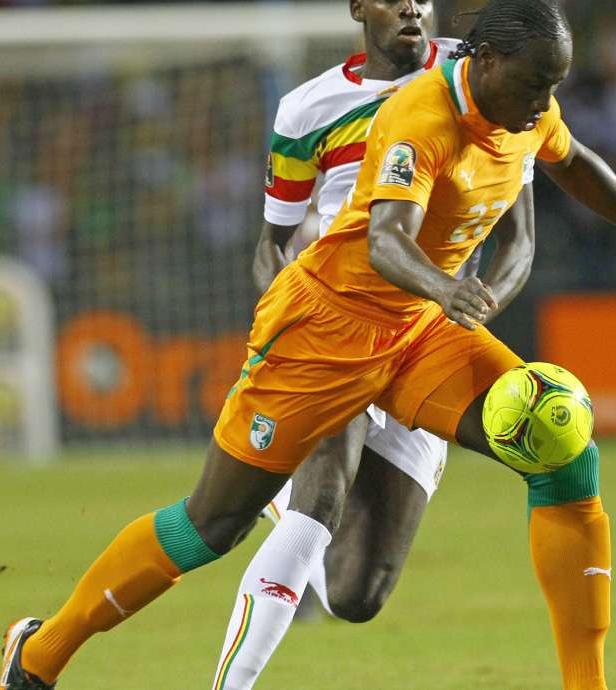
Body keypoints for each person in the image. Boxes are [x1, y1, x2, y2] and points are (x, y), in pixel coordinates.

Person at [0, 2, 616, 688]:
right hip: (326, 327)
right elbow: (385, 240)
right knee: (210, 525)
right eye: (536, 83)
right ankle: (38, 653)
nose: (546, 101)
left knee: (559, 445)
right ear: (483, 61)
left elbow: (575, 165)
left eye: (556, 85)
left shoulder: (526, 107)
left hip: (418, 331)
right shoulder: (420, 115)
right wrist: (446, 289)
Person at [209, 2, 534, 688]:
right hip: (341, 329)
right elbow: (271, 244)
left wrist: (483, 305)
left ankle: (289, 513)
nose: (412, 4)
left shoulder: (481, 76)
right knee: (317, 505)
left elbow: (520, 236)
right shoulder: (308, 109)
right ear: (359, 7)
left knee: (359, 595)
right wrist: (285, 327)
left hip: (430, 343)